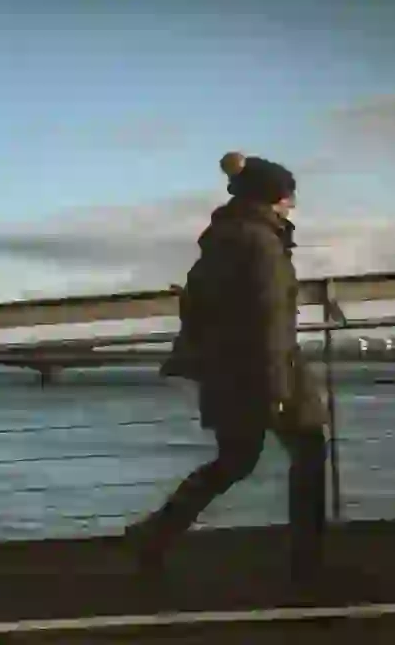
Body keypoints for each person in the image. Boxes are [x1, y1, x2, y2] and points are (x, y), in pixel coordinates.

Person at [129, 151, 329, 583]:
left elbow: (198, 304)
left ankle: (156, 531)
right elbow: (271, 316)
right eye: (288, 195)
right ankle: (307, 558)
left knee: (236, 459)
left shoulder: (223, 236)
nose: (292, 203)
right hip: (267, 370)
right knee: (309, 450)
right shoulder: (261, 243)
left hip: (228, 368)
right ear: (273, 198)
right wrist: (277, 389)